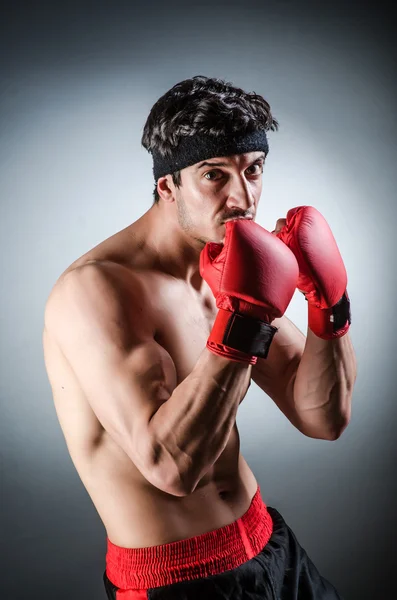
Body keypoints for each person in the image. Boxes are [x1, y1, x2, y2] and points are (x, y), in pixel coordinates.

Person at [43, 75, 357, 599]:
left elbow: (322, 417)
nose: (244, 197)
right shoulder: (97, 291)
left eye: (253, 170)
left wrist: (329, 305)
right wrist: (245, 321)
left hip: (267, 543)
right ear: (168, 186)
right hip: (178, 583)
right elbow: (170, 467)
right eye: (215, 174)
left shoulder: (234, 266)